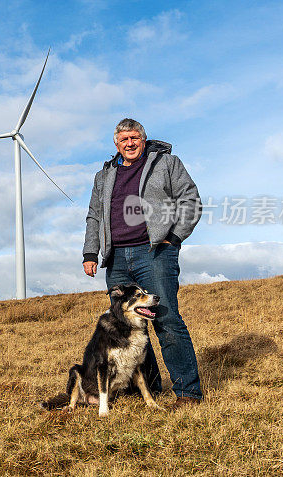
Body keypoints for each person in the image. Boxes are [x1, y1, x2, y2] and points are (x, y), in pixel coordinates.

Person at [82, 118, 203, 409]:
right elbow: (94, 215)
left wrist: (173, 237)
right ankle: (147, 388)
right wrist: (90, 253)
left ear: (143, 140)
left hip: (154, 252)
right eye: (124, 139)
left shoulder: (167, 163)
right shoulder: (104, 175)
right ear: (116, 144)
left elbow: (191, 200)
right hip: (116, 258)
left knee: (165, 318)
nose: (130, 143)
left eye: (134, 138)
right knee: (130, 324)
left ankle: (188, 393)